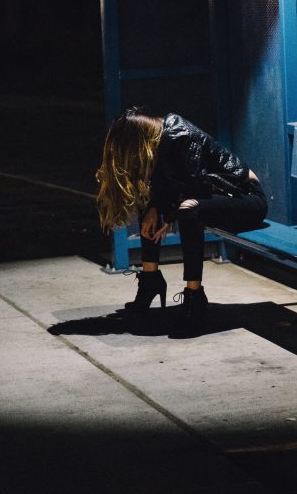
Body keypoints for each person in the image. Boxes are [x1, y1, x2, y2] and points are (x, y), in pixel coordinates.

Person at [96, 107, 267, 330]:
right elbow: (167, 186)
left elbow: (191, 186)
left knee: (188, 209)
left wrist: (168, 217)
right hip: (213, 198)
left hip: (246, 200)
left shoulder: (181, 136)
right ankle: (150, 280)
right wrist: (156, 210)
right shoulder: (158, 141)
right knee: (150, 208)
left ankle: (194, 296)